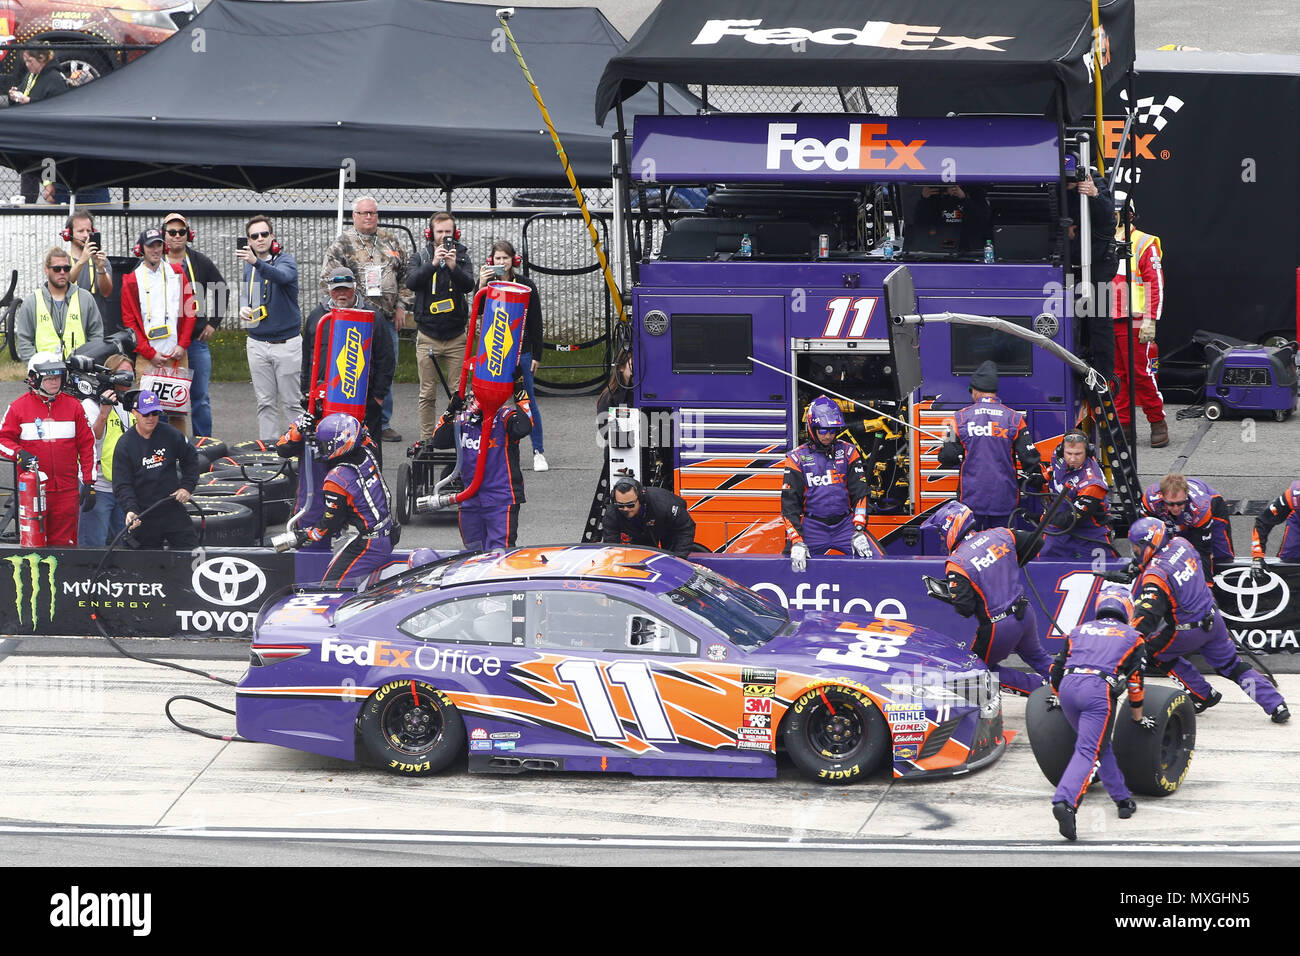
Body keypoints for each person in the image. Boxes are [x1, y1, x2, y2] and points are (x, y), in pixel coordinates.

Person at [1127, 517, 1288, 722]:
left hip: (1187, 630)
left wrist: (1127, 638)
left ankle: (1202, 693)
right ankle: (1276, 705)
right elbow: (1174, 565)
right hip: (1213, 619)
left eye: (1136, 548)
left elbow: (1147, 617)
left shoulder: (1155, 576)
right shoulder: (1181, 543)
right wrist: (1137, 570)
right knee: (1232, 666)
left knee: (1153, 652)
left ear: (1149, 543)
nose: (1135, 553)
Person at [923, 499, 1053, 696]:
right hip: (1025, 613)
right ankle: (1072, 684)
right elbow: (1037, 541)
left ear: (952, 528)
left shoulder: (957, 562)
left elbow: (965, 608)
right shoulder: (1001, 533)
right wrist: (1008, 565)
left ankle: (1039, 688)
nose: (942, 539)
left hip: (999, 625)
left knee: (973, 673)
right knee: (1039, 657)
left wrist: (952, 595)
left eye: (942, 534)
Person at [1047, 585, 1147, 841]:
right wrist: (1137, 715)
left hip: (1068, 687)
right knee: (1088, 750)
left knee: (1099, 746)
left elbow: (1055, 671)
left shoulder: (1077, 631)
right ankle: (1065, 801)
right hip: (1097, 690)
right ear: (1127, 607)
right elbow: (1135, 681)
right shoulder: (1133, 636)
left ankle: (1122, 800)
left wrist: (1059, 697)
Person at [321, 196, 412, 442]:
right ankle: (351, 418)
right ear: (354, 216)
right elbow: (327, 279)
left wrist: (402, 306)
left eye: (372, 213)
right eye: (363, 213)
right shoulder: (342, 244)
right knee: (352, 369)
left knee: (385, 369)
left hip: (385, 319)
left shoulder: (391, 241)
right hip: (353, 320)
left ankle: (382, 422)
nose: (369, 217)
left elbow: (406, 276)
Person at [282, 413, 397, 585]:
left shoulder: (337, 479)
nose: (320, 449)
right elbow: (282, 448)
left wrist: (305, 535)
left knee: (330, 587)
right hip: (384, 533)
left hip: (368, 544)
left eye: (323, 444)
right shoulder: (368, 452)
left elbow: (330, 523)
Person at [300, 268, 395, 469]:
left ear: (355, 288)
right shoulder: (318, 316)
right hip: (326, 398)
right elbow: (308, 356)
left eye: (346, 289)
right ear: (329, 291)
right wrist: (307, 390)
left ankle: (374, 488)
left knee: (369, 451)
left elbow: (386, 359)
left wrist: (378, 396)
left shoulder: (372, 316)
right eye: (336, 290)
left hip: (364, 400)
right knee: (326, 449)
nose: (341, 294)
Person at [0, 352, 96, 546]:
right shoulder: (17, 408)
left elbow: (87, 445)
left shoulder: (75, 406)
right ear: (34, 378)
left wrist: (89, 482)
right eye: (49, 378)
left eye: (58, 377)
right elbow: (2, 440)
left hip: (67, 491)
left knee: (65, 546)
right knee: (33, 544)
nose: (55, 382)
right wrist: (19, 454)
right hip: (33, 491)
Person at [431, 375, 533, 551]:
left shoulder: (505, 416)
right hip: (470, 499)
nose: (473, 402)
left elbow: (524, 427)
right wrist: (449, 411)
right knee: (472, 554)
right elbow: (438, 441)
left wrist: (519, 392)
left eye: (476, 397)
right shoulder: (463, 420)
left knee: (499, 556)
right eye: (471, 397)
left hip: (501, 500)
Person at [781, 395, 883, 572]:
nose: (828, 435)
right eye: (822, 431)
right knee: (789, 568)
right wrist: (796, 540)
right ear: (812, 428)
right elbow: (789, 505)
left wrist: (859, 528)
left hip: (845, 525)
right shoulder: (796, 458)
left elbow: (860, 492)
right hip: (812, 527)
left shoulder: (849, 451)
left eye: (832, 431)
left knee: (880, 561)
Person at [937, 360, 1042, 531]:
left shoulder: (958, 418)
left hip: (971, 499)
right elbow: (1029, 458)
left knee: (971, 549)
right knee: (1002, 547)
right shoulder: (1014, 418)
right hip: (1004, 499)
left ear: (975, 390)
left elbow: (946, 457)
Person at [477, 239, 547, 471]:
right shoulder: (489, 286)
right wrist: (481, 283)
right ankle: (490, 449)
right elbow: (477, 313)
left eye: (505, 258)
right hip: (495, 353)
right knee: (489, 401)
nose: (502, 262)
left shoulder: (526, 285)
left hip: (523, 353)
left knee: (528, 402)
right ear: (491, 261)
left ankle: (538, 451)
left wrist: (537, 354)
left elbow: (536, 322)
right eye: (497, 258)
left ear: (513, 260)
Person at [119, 227, 195, 434]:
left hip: (176, 353)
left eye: (159, 245)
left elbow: (190, 310)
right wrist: (149, 353)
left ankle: (178, 454)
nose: (155, 250)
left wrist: (183, 344)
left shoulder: (178, 272)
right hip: (148, 356)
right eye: (150, 245)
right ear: (141, 249)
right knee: (147, 412)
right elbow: (130, 323)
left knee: (177, 413)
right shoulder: (132, 280)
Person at [406, 212, 474, 439]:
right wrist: (434, 263)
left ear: (455, 234)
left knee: (459, 393)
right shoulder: (420, 256)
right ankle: (427, 439)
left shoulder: (462, 257)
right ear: (430, 234)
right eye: (440, 232)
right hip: (428, 335)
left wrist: (453, 267)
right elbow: (412, 282)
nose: (445, 237)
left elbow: (468, 286)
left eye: (448, 232)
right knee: (427, 393)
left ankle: (460, 438)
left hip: (455, 336)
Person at [237, 215, 301, 441]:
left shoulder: (285, 261)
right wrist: (244, 307)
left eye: (264, 234)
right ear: (249, 240)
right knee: (265, 403)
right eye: (255, 236)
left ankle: (297, 449)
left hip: (286, 343)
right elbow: (246, 292)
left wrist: (256, 262)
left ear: (272, 236)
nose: (260, 239)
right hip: (256, 343)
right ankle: (269, 450)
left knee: (293, 403)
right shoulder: (250, 267)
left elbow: (282, 277)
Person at [163, 212, 228, 438]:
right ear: (164, 235)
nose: (177, 236)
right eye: (172, 232)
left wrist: (213, 323)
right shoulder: (155, 261)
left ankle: (204, 445)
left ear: (188, 235)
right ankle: (163, 444)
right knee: (163, 398)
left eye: (182, 232)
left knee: (200, 397)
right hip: (164, 342)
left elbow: (221, 288)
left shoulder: (199, 261)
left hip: (195, 341)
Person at [1111, 201, 1168, 447]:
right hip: (1107, 318)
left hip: (1135, 319)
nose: (1109, 216)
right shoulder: (1101, 239)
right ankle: (1124, 426)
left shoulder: (1144, 242)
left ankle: (1157, 422)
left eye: (1113, 212)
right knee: (1117, 376)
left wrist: (1150, 320)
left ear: (1127, 214)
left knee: (1141, 374)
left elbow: (1155, 285)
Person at [112, 390, 199, 550]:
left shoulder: (171, 434)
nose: (151, 418)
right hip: (143, 514)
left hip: (171, 507)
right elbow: (122, 484)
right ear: (135, 413)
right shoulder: (125, 445)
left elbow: (191, 459)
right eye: (146, 414)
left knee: (192, 553)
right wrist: (131, 509)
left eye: (155, 413)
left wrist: (186, 487)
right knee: (141, 564)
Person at [1065, 167, 1119, 383]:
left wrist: (1094, 194)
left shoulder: (1094, 181)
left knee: (1098, 319)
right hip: (1071, 262)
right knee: (1071, 317)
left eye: (1071, 179)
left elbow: (1109, 220)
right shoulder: (1053, 186)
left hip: (1097, 263)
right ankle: (1077, 364)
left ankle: (1103, 377)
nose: (1069, 183)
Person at [79, 352, 136, 547]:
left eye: (131, 372)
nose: (128, 377)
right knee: (93, 545)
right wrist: (104, 413)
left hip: (124, 487)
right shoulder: (90, 404)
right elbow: (89, 440)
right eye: (122, 372)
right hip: (99, 485)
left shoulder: (130, 403)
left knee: (124, 545)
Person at [3, 44, 68, 204]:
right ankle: (27, 204)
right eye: (25, 61)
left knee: (50, 181)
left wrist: (29, 100)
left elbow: (58, 106)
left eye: (30, 61)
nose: (27, 65)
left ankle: (54, 202)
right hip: (28, 138)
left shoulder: (54, 78)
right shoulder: (31, 76)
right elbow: (24, 94)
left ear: (42, 59)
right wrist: (14, 97)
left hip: (47, 141)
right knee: (28, 175)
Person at [14, 246, 104, 361]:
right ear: (47, 269)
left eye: (66, 268)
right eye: (57, 269)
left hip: (79, 371)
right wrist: (34, 367)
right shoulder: (32, 302)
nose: (62, 272)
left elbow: (96, 336)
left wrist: (89, 362)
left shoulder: (85, 298)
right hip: (44, 372)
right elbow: (24, 341)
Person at [1039, 430, 1116, 560]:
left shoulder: (1093, 484)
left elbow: (1070, 519)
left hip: (1090, 530)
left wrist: (1043, 518)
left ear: (1088, 452)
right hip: (1058, 524)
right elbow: (1056, 469)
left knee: (1101, 573)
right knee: (1044, 561)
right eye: (1069, 453)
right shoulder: (1058, 455)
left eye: (1078, 454)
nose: (1073, 458)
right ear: (1061, 450)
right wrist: (1043, 477)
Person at [1140, 473, 1234, 579]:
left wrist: (1207, 584)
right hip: (1183, 518)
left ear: (1186, 496)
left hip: (1211, 508)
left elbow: (1203, 552)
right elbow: (1145, 536)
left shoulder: (1200, 508)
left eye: (1180, 503)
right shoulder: (1151, 499)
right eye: (1170, 504)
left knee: (1222, 555)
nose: (1175, 508)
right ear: (1162, 497)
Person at [602, 479, 701, 557]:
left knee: (673, 557)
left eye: (630, 505)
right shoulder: (612, 513)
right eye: (620, 505)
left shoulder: (663, 505)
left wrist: (680, 557)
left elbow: (686, 528)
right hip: (641, 531)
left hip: (667, 526)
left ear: (640, 498)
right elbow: (612, 546)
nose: (625, 509)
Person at [64, 210, 115, 328]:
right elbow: (62, 286)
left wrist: (101, 268)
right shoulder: (62, 260)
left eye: (89, 231)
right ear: (68, 234)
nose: (86, 235)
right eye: (80, 231)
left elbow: (106, 292)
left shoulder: (102, 260)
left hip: (96, 327)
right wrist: (82, 260)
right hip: (69, 326)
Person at [911, 185, 991, 252]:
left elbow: (982, 221)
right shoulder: (932, 195)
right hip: (937, 251)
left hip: (968, 251)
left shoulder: (975, 191)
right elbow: (919, 224)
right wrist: (924, 199)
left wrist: (964, 198)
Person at [1251, 480, 1300, 578]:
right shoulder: (1292, 496)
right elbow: (1263, 521)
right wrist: (1257, 556)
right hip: (1297, 521)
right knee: (1288, 561)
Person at [596, 348, 634, 442]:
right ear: (621, 367)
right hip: (621, 449)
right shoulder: (610, 396)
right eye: (633, 365)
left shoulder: (649, 393)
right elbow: (604, 431)